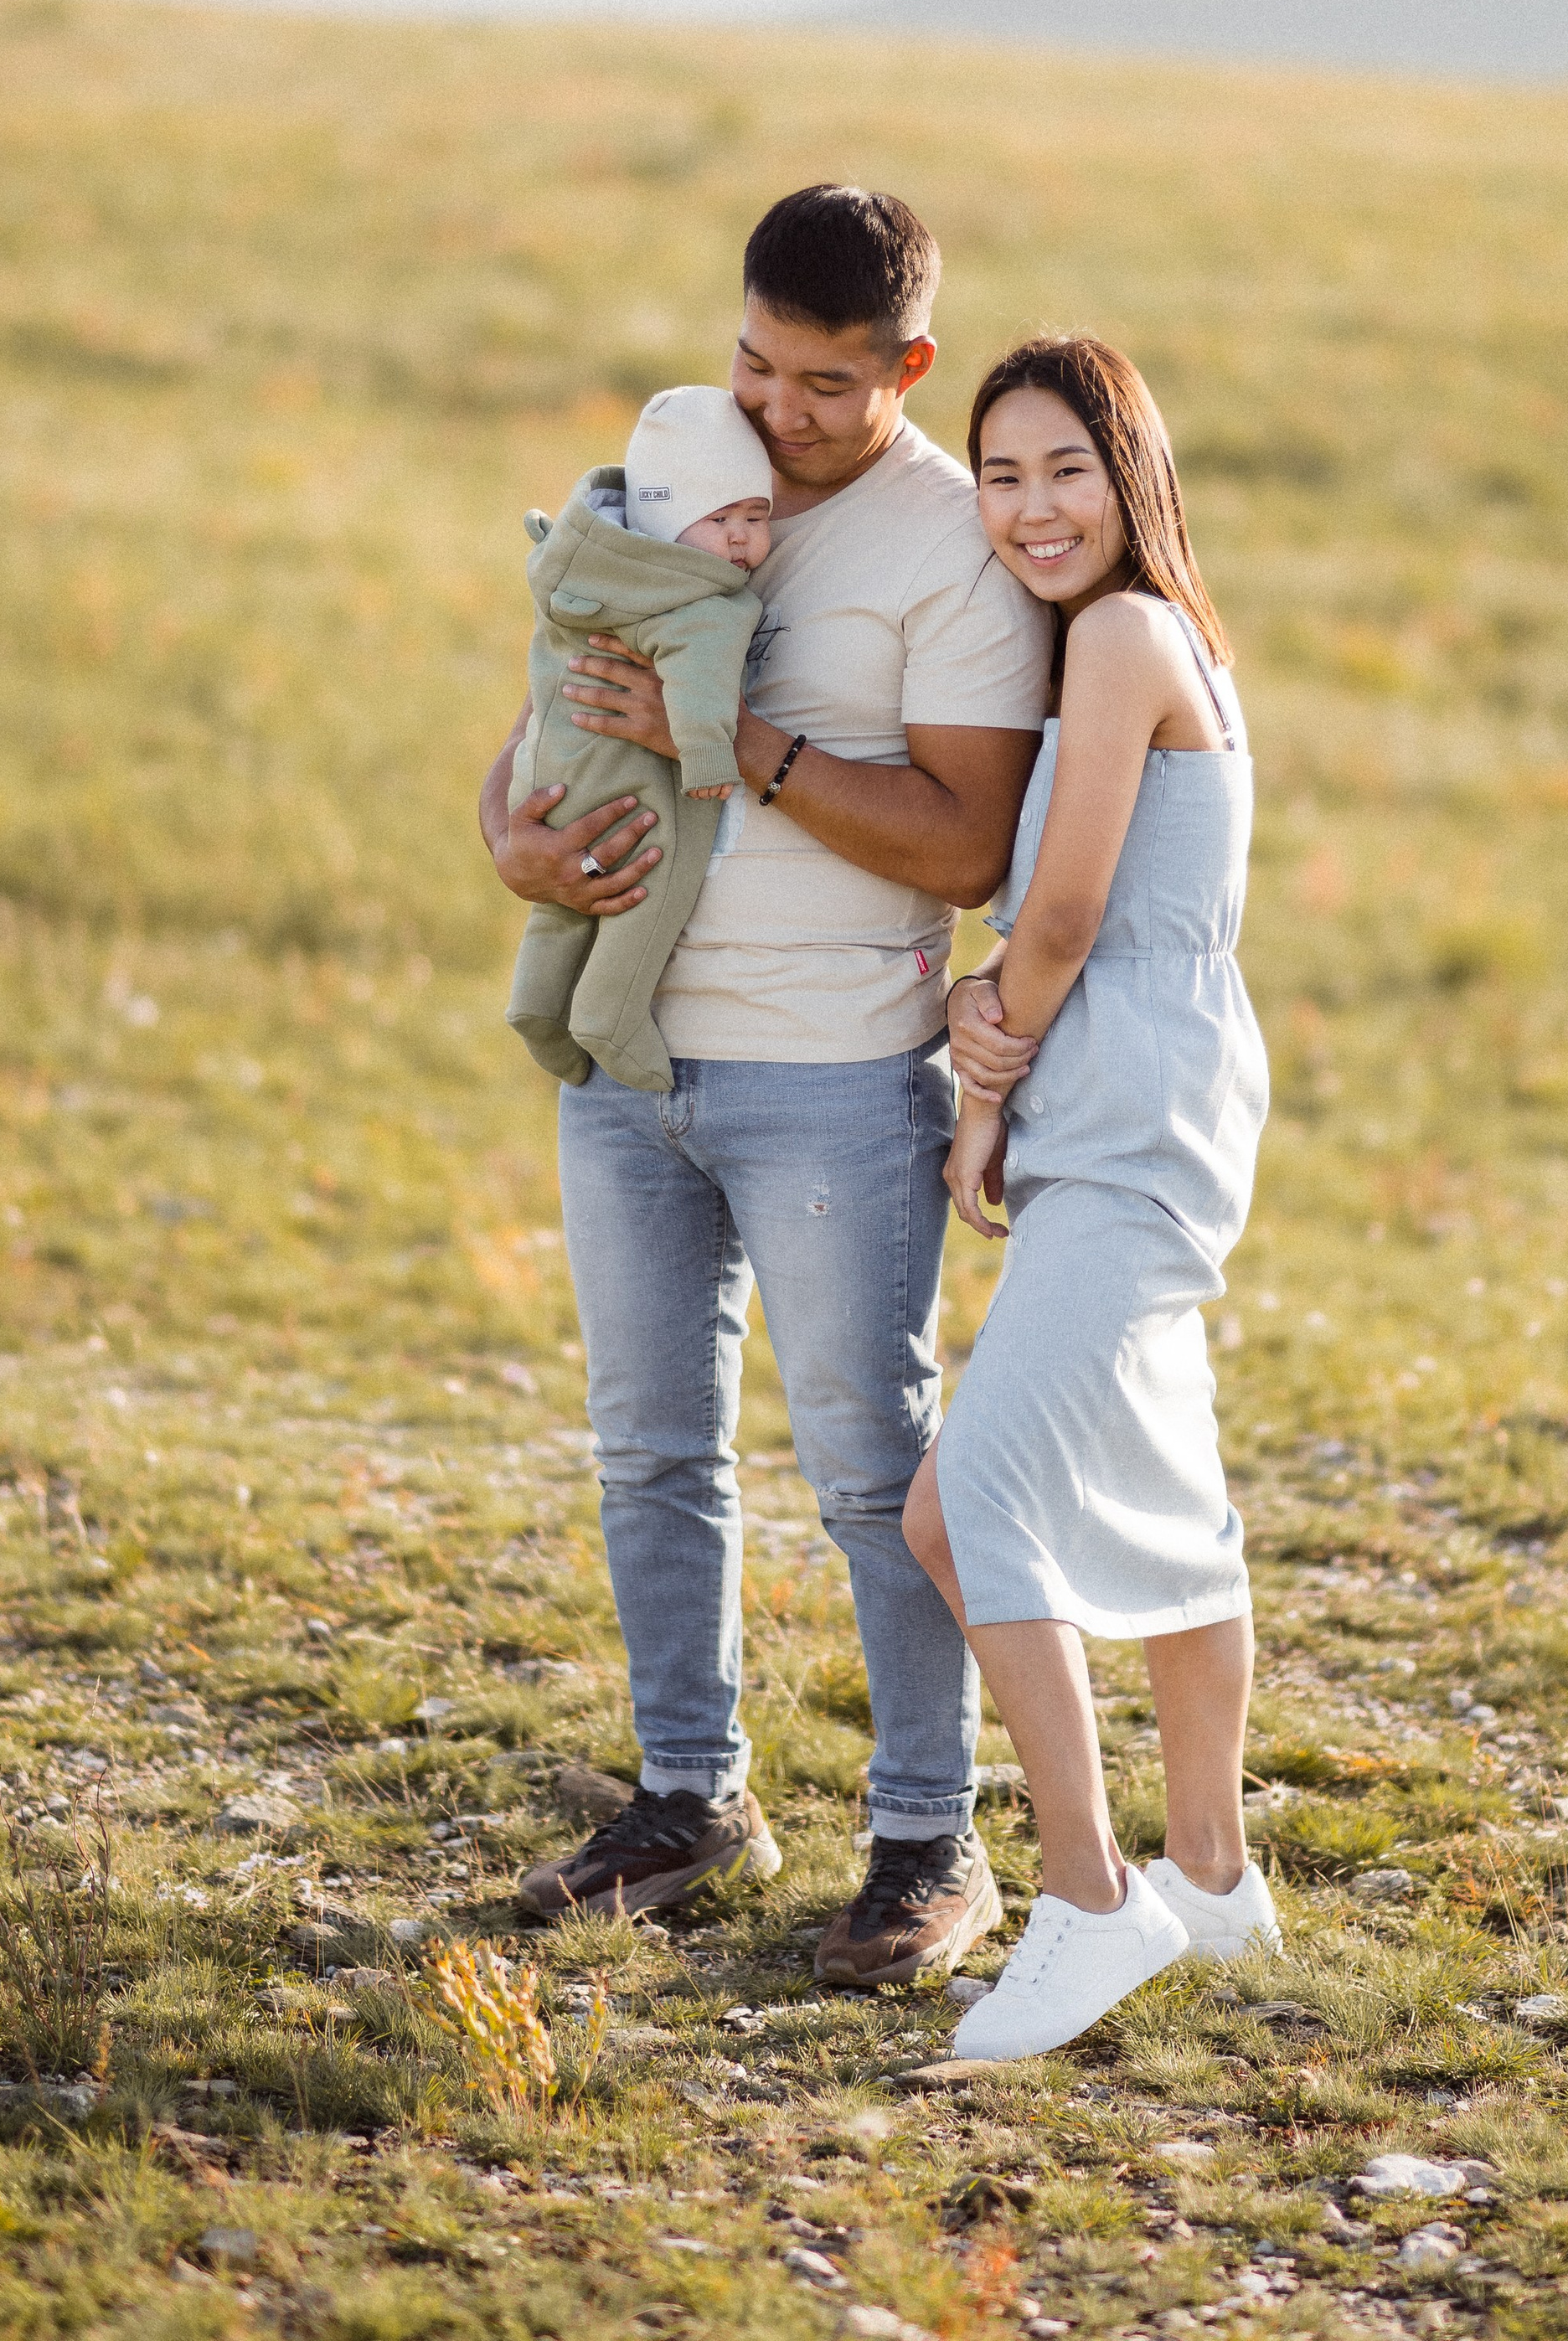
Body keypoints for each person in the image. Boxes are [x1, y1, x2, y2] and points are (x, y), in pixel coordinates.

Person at [478, 185, 1052, 1983]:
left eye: (820, 382)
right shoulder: (674, 462)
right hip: (626, 1060)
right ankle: (689, 1795)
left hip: (830, 1079)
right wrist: (510, 839)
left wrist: (741, 742)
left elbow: (963, 846)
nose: (777, 411)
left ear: (909, 367)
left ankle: (923, 1842)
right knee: (650, 1452)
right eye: (752, 361)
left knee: (872, 1470)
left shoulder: (955, 546)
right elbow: (555, 693)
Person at [901, 332, 1275, 2061]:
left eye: (1064, 469)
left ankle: (1087, 1898)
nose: (1030, 507)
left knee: (962, 1506)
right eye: (998, 476)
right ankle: (1210, 1875)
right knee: (1170, 1491)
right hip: (1135, 1100)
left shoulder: (1123, 638)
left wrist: (985, 1068)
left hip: (1120, 1111)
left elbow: (1056, 923)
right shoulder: (1129, 639)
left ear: (1130, 476)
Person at [504, 384, 771, 1091]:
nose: (742, 539)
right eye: (720, 519)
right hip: (628, 787)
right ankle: (607, 1014)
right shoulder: (701, 599)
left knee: (563, 905)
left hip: (549, 777)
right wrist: (712, 754)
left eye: (757, 515)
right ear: (670, 520)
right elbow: (700, 670)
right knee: (643, 890)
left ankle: (535, 1002)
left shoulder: (587, 561)